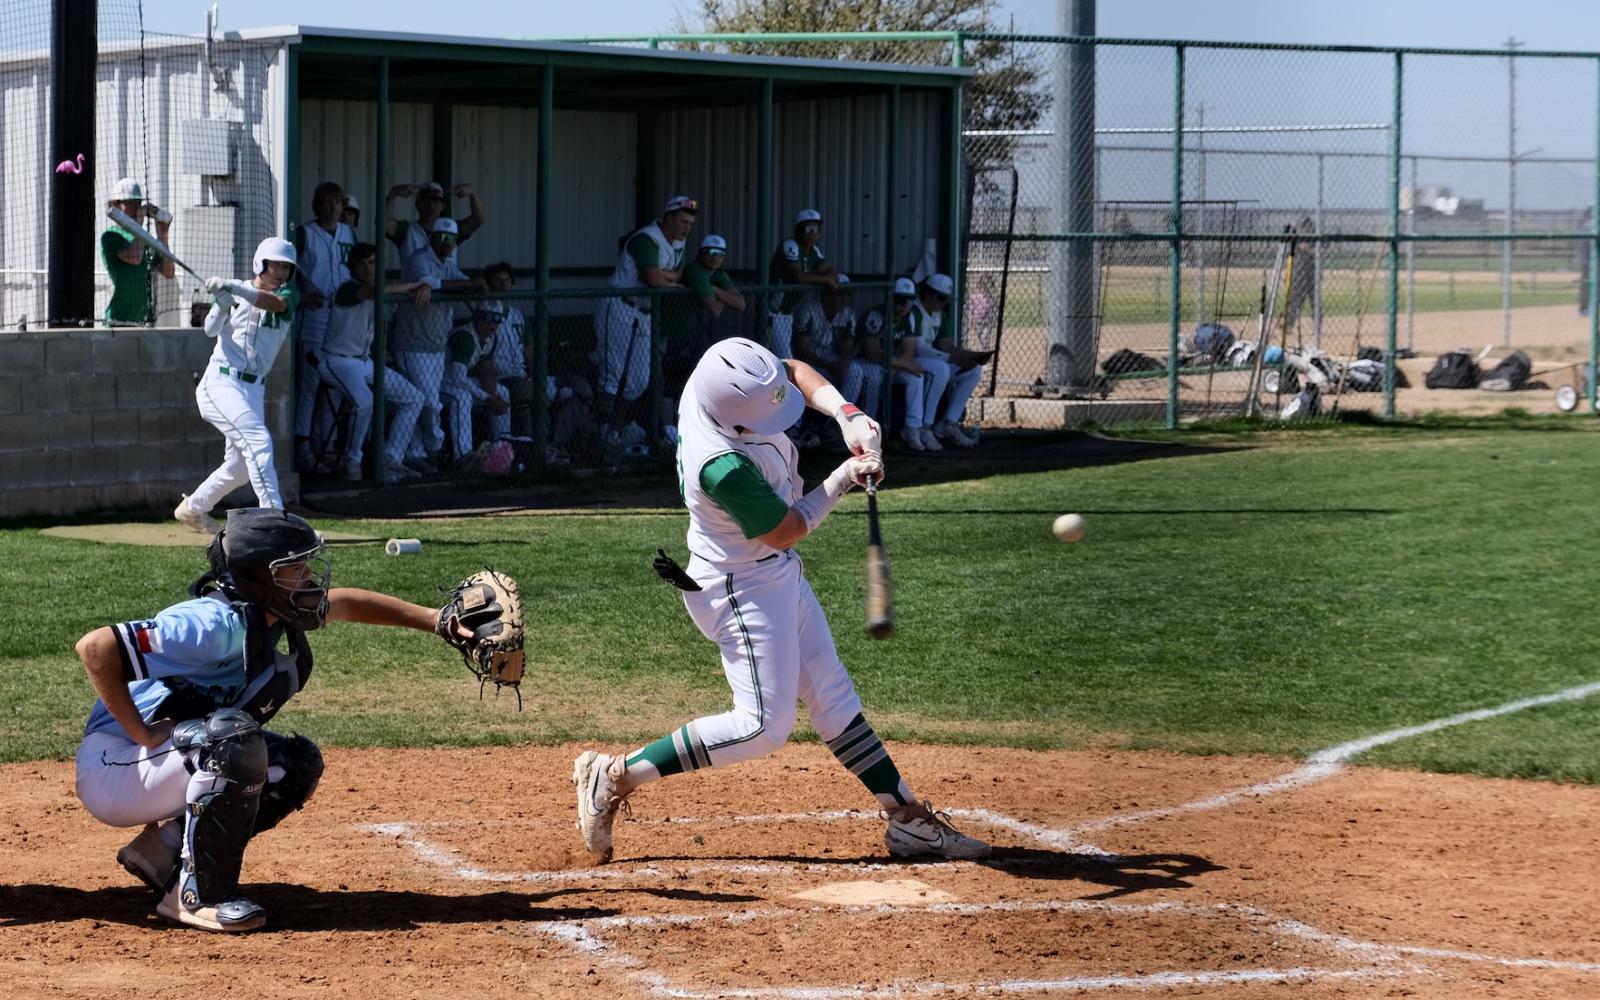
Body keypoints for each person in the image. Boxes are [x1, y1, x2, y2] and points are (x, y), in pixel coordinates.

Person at [571, 338, 989, 864]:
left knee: (833, 696)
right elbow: (787, 529)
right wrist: (842, 478)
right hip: (739, 588)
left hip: (771, 574)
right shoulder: (721, 466)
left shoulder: (717, 375)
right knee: (762, 728)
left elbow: (788, 370)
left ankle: (908, 819)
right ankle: (611, 775)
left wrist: (848, 414)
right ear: (737, 422)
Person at [74, 507, 480, 932]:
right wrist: (139, 730)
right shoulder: (208, 624)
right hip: (114, 767)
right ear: (259, 578)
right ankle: (196, 897)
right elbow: (96, 647)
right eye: (294, 568)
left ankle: (162, 854)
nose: (308, 575)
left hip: (162, 760)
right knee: (232, 742)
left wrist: (438, 621)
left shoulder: (272, 612)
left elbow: (347, 603)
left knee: (291, 765)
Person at [174, 239, 301, 533]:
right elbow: (210, 330)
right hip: (221, 382)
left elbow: (273, 303)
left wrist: (234, 288)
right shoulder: (236, 291)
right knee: (258, 442)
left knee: (241, 466)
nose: (280, 272)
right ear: (261, 264)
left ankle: (193, 508)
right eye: (275, 265)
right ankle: (277, 522)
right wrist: (220, 305)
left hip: (254, 389)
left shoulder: (287, 294)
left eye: (286, 267)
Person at [320, 242, 431, 483]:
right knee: (366, 402)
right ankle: (353, 460)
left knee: (414, 398)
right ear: (352, 267)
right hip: (337, 361)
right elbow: (374, 292)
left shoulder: (375, 288)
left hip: (363, 361)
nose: (367, 268)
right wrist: (414, 285)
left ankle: (391, 457)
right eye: (362, 263)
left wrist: (424, 286)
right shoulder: (348, 288)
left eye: (372, 262)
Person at [391, 218, 489, 474]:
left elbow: (460, 281)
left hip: (435, 345)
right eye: (441, 238)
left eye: (451, 239)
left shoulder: (447, 264)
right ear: (431, 237)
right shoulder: (419, 258)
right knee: (427, 402)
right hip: (412, 343)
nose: (446, 244)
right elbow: (431, 283)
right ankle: (432, 449)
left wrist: (475, 284)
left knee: (425, 401)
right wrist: (470, 284)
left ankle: (419, 453)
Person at [596, 195, 696, 435]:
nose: (687, 228)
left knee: (639, 380)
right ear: (669, 219)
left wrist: (664, 277)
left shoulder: (678, 243)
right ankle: (601, 433)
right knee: (612, 375)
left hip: (645, 312)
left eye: (690, 224)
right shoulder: (647, 238)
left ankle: (615, 429)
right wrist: (666, 280)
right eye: (683, 222)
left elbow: (677, 273)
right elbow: (651, 278)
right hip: (620, 306)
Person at [292, 181, 357, 473]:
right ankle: (303, 445)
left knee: (335, 384)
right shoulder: (305, 233)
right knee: (310, 382)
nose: (334, 207)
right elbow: (290, 271)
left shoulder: (348, 233)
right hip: (315, 315)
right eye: (328, 201)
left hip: (341, 316)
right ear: (318, 205)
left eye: (338, 202)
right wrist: (301, 295)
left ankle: (326, 446)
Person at [859, 277, 937, 452]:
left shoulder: (909, 318)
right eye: (900, 300)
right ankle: (868, 429)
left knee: (915, 376)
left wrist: (898, 365)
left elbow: (909, 351)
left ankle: (912, 428)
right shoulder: (876, 316)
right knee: (875, 374)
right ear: (891, 298)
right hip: (867, 363)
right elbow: (872, 354)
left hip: (893, 365)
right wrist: (901, 364)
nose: (904, 305)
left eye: (909, 301)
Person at [664, 233, 745, 398]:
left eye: (720, 253)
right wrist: (723, 295)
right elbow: (715, 310)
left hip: (683, 334)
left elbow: (741, 304)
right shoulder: (695, 271)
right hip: (663, 331)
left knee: (680, 379)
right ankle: (658, 422)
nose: (715, 257)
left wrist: (714, 289)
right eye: (710, 251)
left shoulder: (717, 274)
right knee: (659, 379)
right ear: (700, 253)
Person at [795, 275, 878, 425]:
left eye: (846, 295)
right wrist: (828, 365)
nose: (843, 299)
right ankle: (795, 426)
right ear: (827, 294)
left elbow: (848, 346)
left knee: (855, 370)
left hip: (831, 359)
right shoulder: (808, 310)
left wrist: (844, 363)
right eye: (839, 294)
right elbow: (801, 349)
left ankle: (841, 422)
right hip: (810, 361)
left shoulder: (847, 314)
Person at [910, 273, 982, 449]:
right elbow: (919, 348)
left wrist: (970, 356)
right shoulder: (914, 310)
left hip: (933, 361)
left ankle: (948, 423)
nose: (944, 303)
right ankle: (925, 428)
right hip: (911, 360)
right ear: (928, 294)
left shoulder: (938, 313)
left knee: (974, 369)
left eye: (946, 299)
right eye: (941, 298)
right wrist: (951, 358)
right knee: (941, 369)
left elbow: (947, 345)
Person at [441, 303, 512, 466]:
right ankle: (464, 456)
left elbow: (487, 370)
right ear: (476, 318)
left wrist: (493, 396)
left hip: (457, 382)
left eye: (497, 320)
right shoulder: (465, 336)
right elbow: (457, 378)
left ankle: (502, 444)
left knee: (502, 391)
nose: (492, 324)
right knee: (462, 398)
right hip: (439, 382)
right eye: (488, 318)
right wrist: (488, 398)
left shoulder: (491, 338)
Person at [101, 178, 176, 326]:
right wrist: (139, 223)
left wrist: (163, 235)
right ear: (115, 205)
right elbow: (134, 258)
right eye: (129, 203)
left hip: (141, 322)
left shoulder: (143, 240)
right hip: (117, 321)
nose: (135, 208)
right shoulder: (111, 236)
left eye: (137, 203)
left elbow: (168, 272)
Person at [766, 208, 838, 358]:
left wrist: (828, 276)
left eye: (816, 229)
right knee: (783, 357)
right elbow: (800, 276)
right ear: (798, 230)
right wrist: (825, 279)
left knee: (780, 356)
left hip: (787, 313)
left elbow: (831, 271)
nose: (812, 233)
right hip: (772, 312)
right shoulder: (790, 244)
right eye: (808, 228)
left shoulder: (814, 251)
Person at [485, 262, 535, 440]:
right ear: (489, 285)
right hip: (501, 378)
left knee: (577, 387)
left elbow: (529, 351)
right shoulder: (485, 313)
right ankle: (527, 446)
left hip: (523, 376)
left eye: (507, 280)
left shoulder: (518, 315)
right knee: (523, 390)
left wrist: (533, 373)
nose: (503, 284)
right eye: (498, 280)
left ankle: (557, 444)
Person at [384, 181, 486, 267]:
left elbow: (478, 220)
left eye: (436, 200)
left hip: (448, 288)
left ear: (442, 207)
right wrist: (393, 193)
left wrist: (472, 193)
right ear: (417, 204)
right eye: (426, 199)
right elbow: (383, 224)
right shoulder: (406, 230)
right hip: (417, 289)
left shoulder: (451, 228)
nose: (431, 204)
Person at [1576, 208, 1593, 317]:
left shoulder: (1582, 225)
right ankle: (1585, 308)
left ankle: (1585, 308)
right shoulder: (1587, 226)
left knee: (1586, 284)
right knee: (1586, 284)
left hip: (1586, 259)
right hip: (1588, 259)